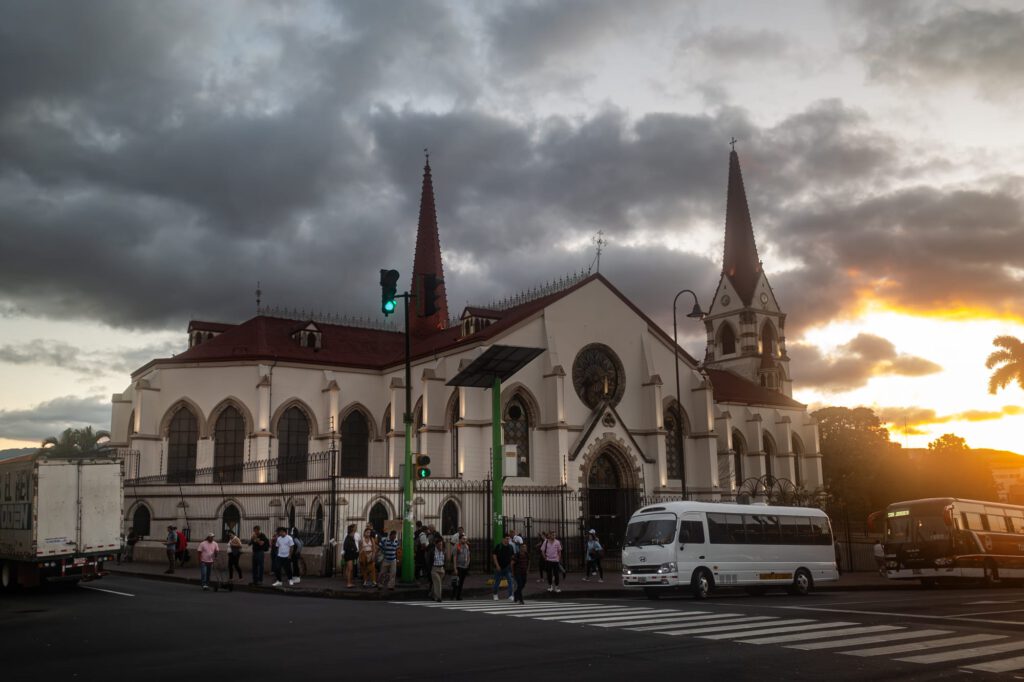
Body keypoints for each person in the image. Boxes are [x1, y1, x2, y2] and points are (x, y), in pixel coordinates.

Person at [491, 534, 515, 601]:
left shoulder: (510, 547)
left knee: (510, 581)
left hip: (507, 568)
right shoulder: (498, 546)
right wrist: (497, 565)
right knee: (497, 582)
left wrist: (511, 564)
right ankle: (495, 594)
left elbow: (512, 556)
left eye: (508, 539)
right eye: (506, 539)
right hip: (499, 568)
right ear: (503, 539)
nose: (508, 540)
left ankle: (510, 595)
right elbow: (494, 556)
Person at [452, 533, 470, 600]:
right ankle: (454, 595)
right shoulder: (457, 546)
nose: (465, 540)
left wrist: (468, 563)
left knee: (461, 582)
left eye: (465, 539)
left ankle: (458, 596)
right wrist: (455, 568)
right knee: (457, 582)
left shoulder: (466, 546)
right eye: (463, 539)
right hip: (459, 566)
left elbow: (468, 555)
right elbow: (454, 557)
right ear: (460, 539)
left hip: (465, 567)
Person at [512, 536, 529, 604]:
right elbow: (512, 563)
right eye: (523, 547)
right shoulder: (517, 555)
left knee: (523, 584)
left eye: (525, 547)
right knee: (519, 584)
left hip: (524, 572)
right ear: (520, 548)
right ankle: (521, 599)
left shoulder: (527, 554)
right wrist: (513, 572)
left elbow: (529, 561)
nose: (524, 548)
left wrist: (528, 569)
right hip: (517, 572)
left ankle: (516, 594)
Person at [429, 536, 446, 602]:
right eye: (439, 544)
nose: (440, 546)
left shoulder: (443, 551)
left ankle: (432, 594)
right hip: (434, 569)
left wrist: (444, 568)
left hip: (441, 568)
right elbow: (429, 561)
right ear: (436, 545)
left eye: (441, 544)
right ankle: (439, 597)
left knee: (435, 583)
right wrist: (430, 569)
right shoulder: (433, 551)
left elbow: (444, 561)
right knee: (438, 582)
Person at [343, 524, 359, 588]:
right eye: (355, 528)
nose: (356, 528)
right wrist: (353, 549)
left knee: (349, 569)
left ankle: (349, 582)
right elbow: (345, 546)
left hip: (351, 555)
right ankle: (349, 583)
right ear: (352, 529)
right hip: (349, 555)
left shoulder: (350, 537)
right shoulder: (348, 537)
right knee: (350, 569)